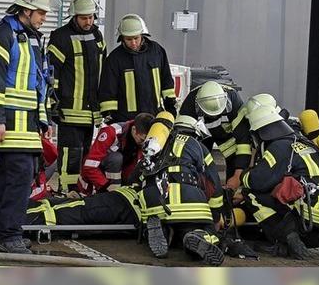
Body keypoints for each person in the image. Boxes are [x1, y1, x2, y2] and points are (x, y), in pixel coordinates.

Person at [0, 0, 61, 254]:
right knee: (17, 181)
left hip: (25, 126)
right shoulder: (4, 34)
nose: (43, 18)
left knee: (8, 181)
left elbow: (38, 84)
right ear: (26, 10)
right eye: (40, 12)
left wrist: (43, 121)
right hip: (11, 125)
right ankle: (9, 235)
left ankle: (0, 233)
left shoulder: (29, 37)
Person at [240, 98, 319, 260]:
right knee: (283, 199)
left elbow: (258, 180)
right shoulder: (301, 141)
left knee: (251, 193)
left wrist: (243, 177)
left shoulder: (279, 147)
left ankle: (284, 238)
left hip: (309, 207)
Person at [140, 114, 226, 266]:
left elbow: (138, 175)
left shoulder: (156, 144)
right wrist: (216, 215)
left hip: (155, 199)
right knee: (209, 232)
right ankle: (198, 236)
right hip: (189, 200)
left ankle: (163, 232)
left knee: (164, 221)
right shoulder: (198, 146)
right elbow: (215, 184)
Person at [47, 0, 107, 192]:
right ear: (74, 17)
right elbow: (51, 73)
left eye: (91, 17)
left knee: (86, 154)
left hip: (90, 112)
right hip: (69, 110)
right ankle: (66, 191)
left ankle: (82, 191)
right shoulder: (61, 37)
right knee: (70, 154)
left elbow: (103, 70)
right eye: (84, 18)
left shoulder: (98, 37)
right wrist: (52, 104)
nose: (88, 21)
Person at [98, 13, 176, 123]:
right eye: (129, 39)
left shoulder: (157, 51)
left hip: (154, 116)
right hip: (127, 120)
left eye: (136, 38)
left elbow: (166, 81)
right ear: (122, 38)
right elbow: (108, 90)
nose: (133, 43)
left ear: (142, 35)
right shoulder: (115, 59)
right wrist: (109, 116)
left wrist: (170, 106)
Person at [178, 81, 252, 190]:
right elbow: (185, 141)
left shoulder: (234, 100)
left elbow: (243, 140)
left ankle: (230, 196)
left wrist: (237, 176)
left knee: (235, 163)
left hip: (227, 137)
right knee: (199, 163)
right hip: (201, 138)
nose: (214, 117)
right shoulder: (190, 104)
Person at [77, 112, 154, 196]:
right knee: (116, 158)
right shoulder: (111, 132)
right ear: (134, 129)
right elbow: (90, 166)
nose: (143, 144)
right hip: (94, 183)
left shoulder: (141, 138)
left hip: (119, 176)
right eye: (142, 140)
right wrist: (106, 187)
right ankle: (113, 194)